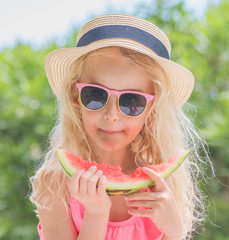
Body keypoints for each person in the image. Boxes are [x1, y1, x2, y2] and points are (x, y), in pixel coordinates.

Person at [29, 14, 212, 240]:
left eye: (131, 101)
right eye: (95, 95)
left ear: (151, 110)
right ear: (75, 97)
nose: (112, 116)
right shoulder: (53, 184)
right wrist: (96, 214)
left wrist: (174, 232)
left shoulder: (160, 186)